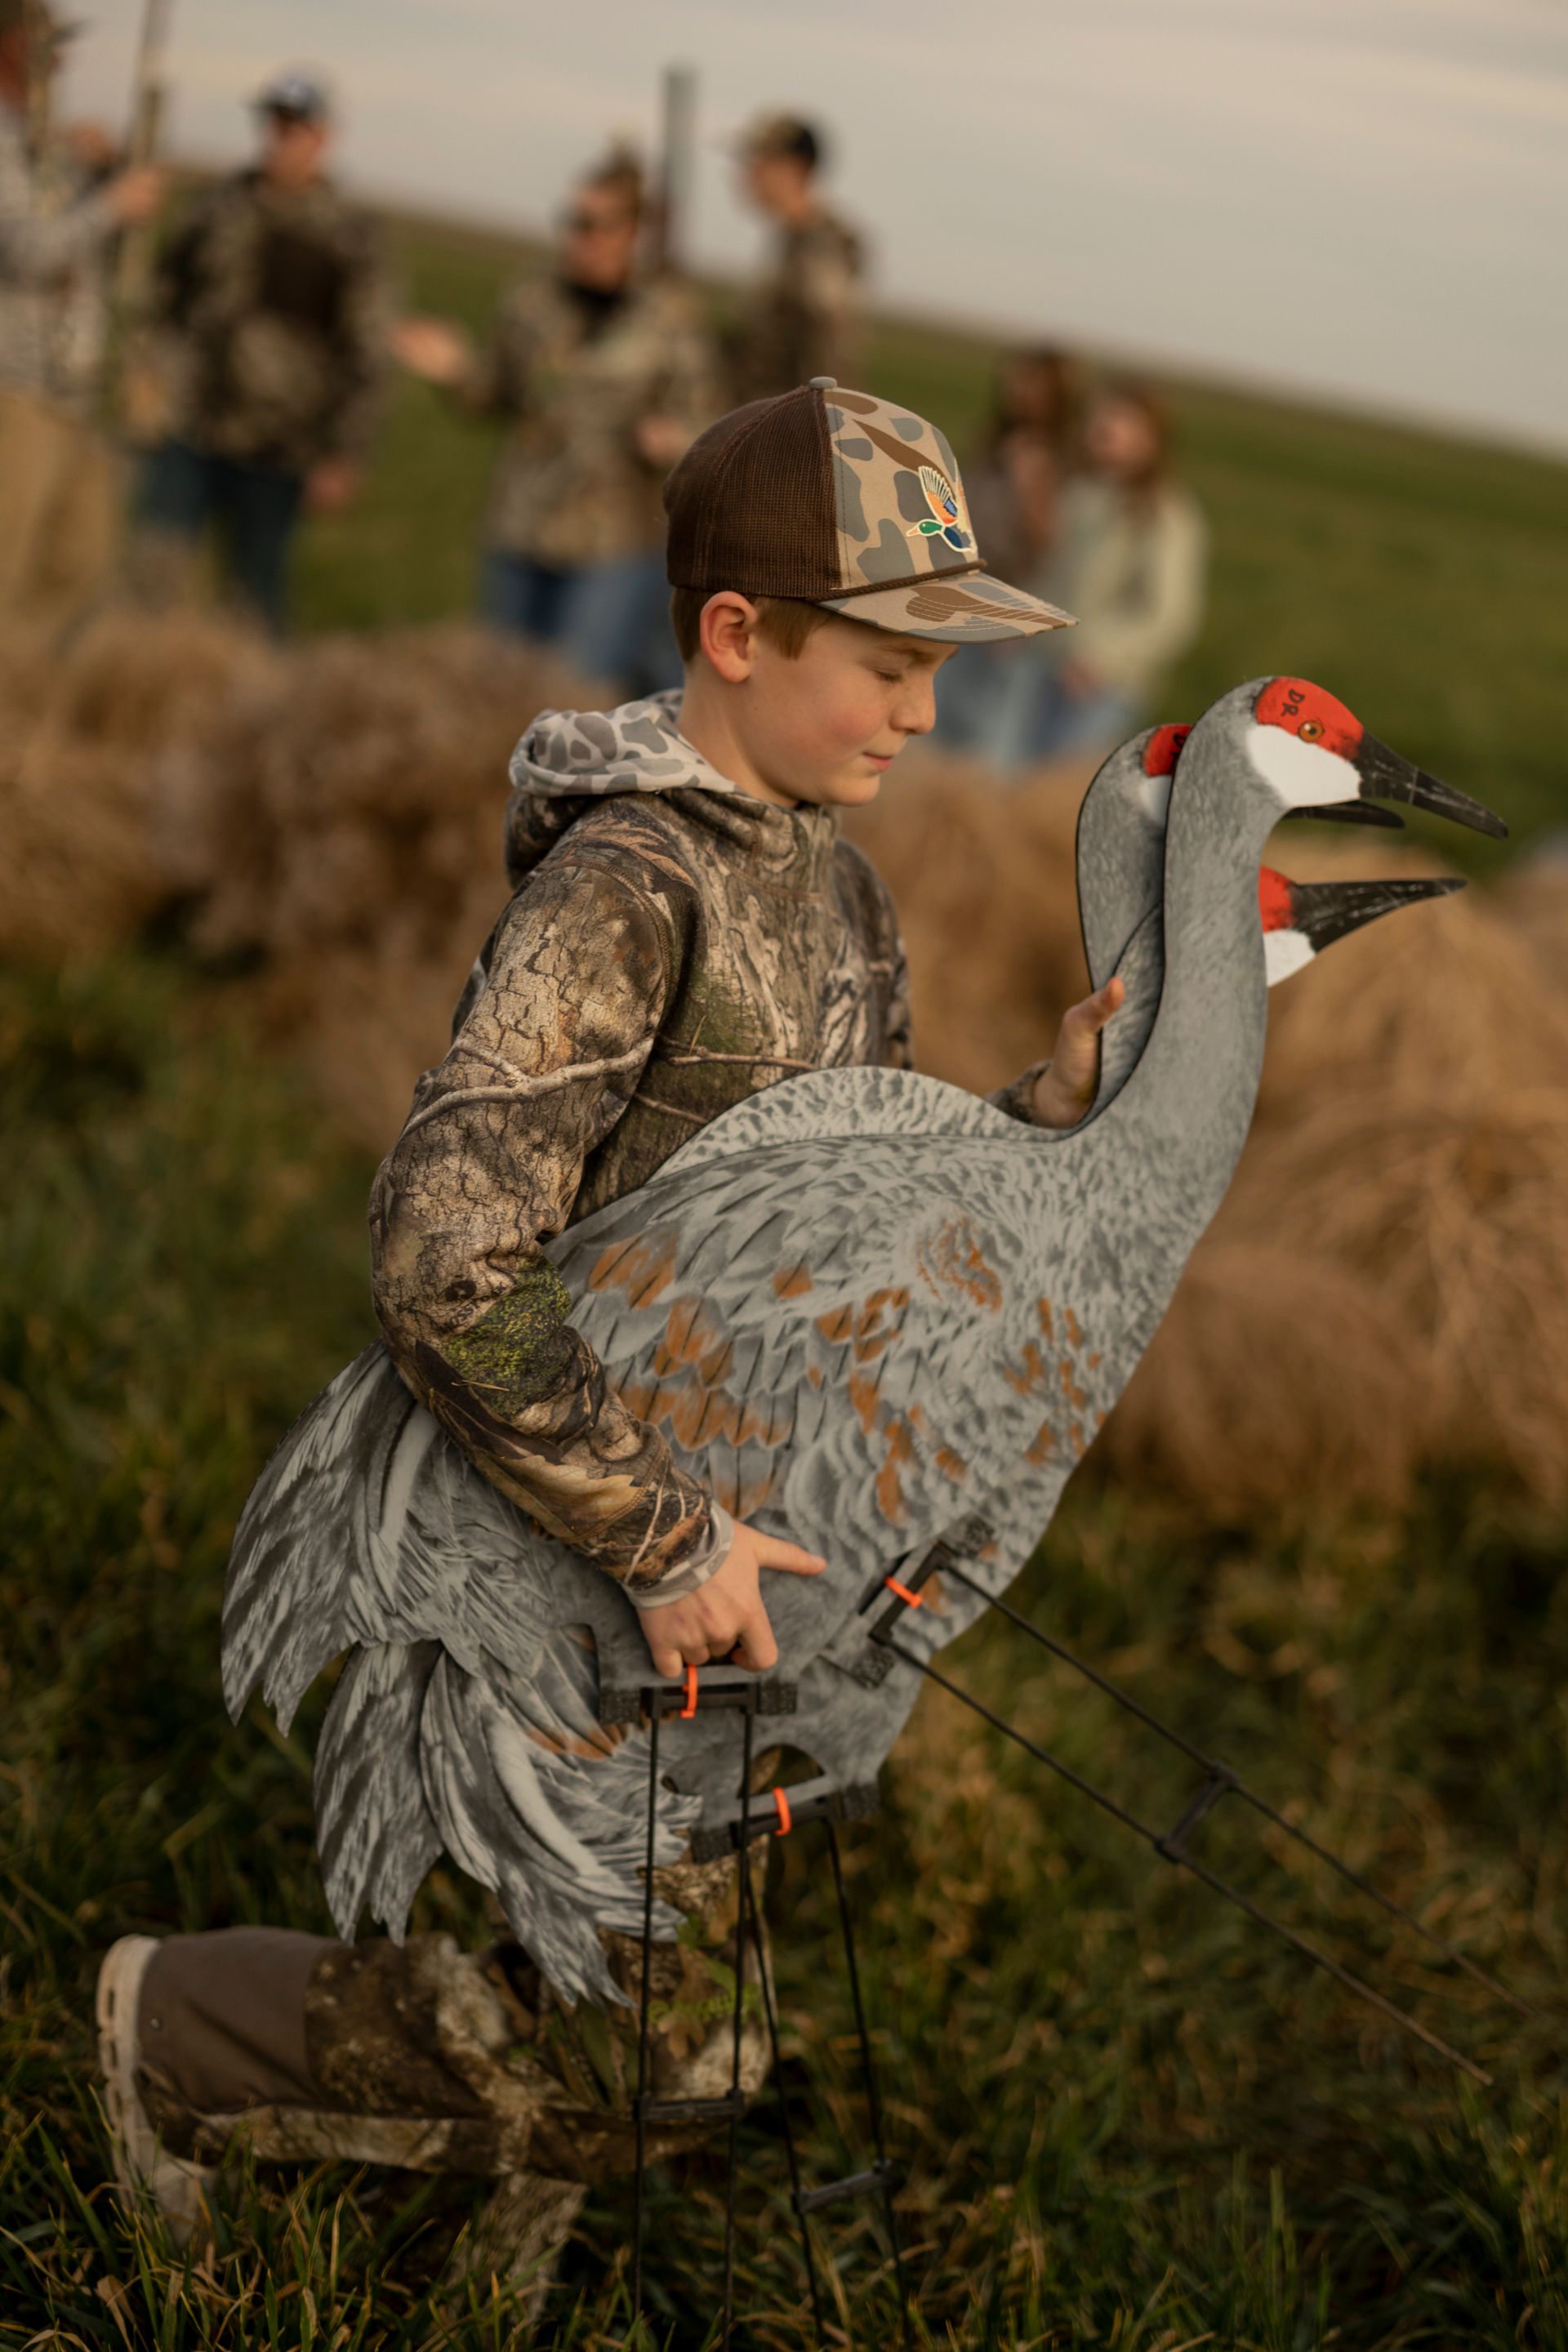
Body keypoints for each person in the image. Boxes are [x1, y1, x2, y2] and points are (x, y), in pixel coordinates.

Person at [95, 380, 1123, 2303]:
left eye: (938, 664)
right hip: (580, 1541)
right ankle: (184, 2035)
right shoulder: (626, 894)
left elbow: (837, 1207)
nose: (925, 707)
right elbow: (446, 1256)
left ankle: (504, 2225)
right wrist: (654, 1537)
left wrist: (1040, 1111)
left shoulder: (835, 880)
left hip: (715, 1551)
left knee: (670, 1994)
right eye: (891, 659)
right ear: (737, 636)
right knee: (670, 2040)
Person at [394, 149, 715, 697]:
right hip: (521, 527)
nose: (576, 236)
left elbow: (703, 423)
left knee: (574, 700)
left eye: (592, 224)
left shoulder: (668, 319)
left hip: (609, 542)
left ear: (630, 233)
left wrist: (670, 439)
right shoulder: (531, 298)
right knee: (497, 690)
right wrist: (456, 372)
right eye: (571, 221)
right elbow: (496, 394)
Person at [129, 71, 388, 635]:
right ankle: (134, 691)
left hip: (279, 444)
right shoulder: (216, 205)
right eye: (273, 123)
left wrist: (343, 454)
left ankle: (248, 708)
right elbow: (165, 297)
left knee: (253, 596)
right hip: (188, 425)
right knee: (154, 575)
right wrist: (146, 374)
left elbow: (366, 356)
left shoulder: (350, 233)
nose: (279, 137)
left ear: (322, 137)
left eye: (294, 127)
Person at [0, 0, 163, 638]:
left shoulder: (42, 144)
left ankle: (18, 679)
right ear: (15, 47)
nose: (62, 61)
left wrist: (100, 176)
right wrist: (113, 206)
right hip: (17, 391)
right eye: (48, 45)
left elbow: (79, 245)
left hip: (71, 392)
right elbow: (27, 250)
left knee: (80, 556)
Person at [960, 378, 1208, 772]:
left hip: (1098, 683)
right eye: (1101, 417)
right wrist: (1015, 622)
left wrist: (1101, 656)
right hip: (1036, 662)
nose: (1106, 428)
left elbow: (1169, 614)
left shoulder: (1164, 514)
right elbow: (1046, 571)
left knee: (1057, 785)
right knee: (998, 769)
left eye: (1124, 421)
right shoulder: (1074, 490)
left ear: (1152, 438)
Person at [934, 345, 1085, 753]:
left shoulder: (1053, 458)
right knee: (940, 722)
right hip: (961, 596)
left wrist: (1028, 485)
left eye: (1031, 382)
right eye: (1016, 379)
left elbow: (1052, 546)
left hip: (1007, 613)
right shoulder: (997, 444)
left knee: (985, 740)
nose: (1017, 390)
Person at [725, 113, 864, 402]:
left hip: (789, 432)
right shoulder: (791, 242)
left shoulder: (818, 250)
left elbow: (828, 370)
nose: (747, 175)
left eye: (759, 162)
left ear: (794, 169)